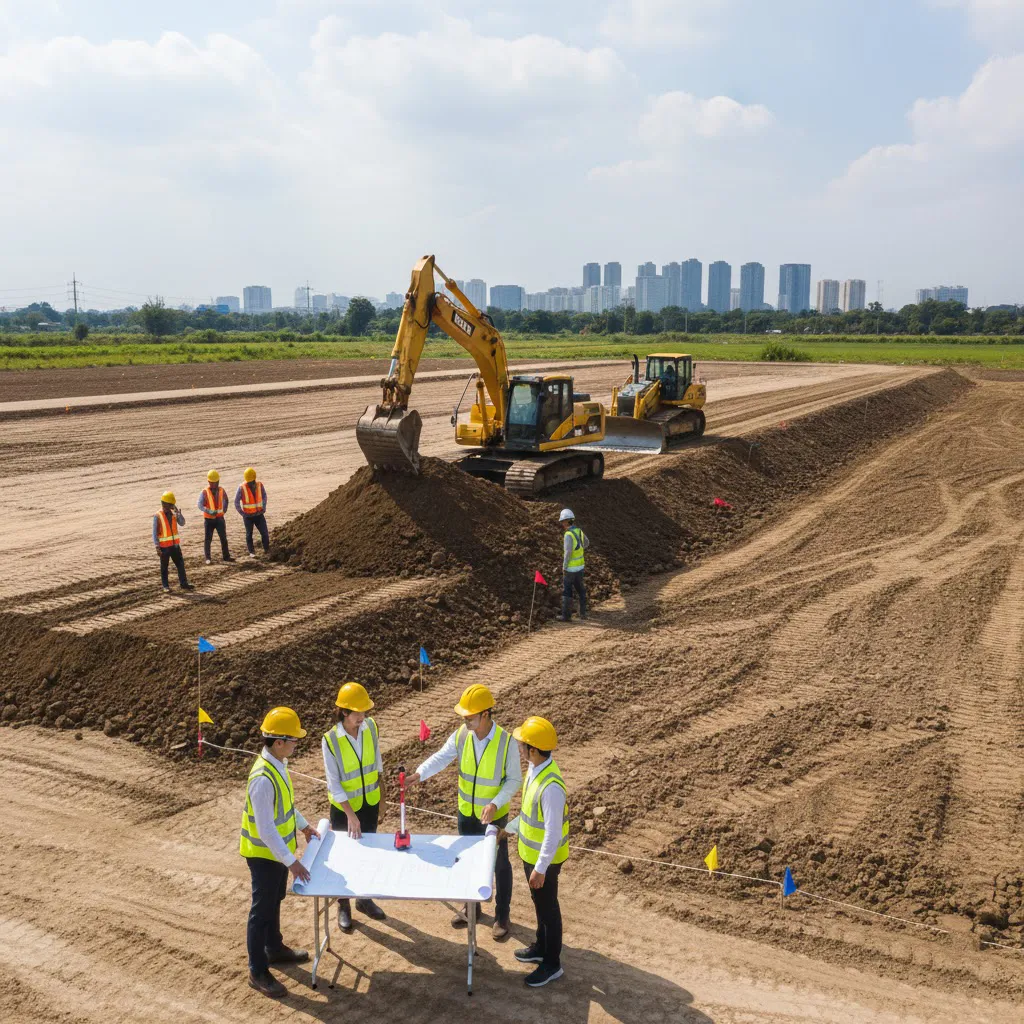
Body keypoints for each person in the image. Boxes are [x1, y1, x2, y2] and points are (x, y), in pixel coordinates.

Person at [406, 683, 520, 940]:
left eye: (469, 716)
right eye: (464, 716)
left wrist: (494, 803)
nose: (465, 720)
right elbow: (442, 756)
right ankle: (472, 908)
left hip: (495, 816)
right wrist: (419, 773)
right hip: (466, 814)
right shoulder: (461, 735)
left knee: (500, 865)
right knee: (466, 863)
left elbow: (514, 780)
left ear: (486, 715)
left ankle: (502, 915)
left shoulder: (506, 742)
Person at [239, 706, 320, 999]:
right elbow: (266, 829)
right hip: (264, 855)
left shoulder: (278, 765)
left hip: (277, 854)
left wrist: (304, 826)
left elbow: (285, 806)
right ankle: (257, 970)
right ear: (278, 742)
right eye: (293, 739)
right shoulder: (262, 778)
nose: (297, 743)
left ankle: (274, 948)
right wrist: (292, 862)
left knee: (275, 901)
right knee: (261, 911)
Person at [321, 682, 387, 932]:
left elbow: (378, 764)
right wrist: (350, 814)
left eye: (364, 712)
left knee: (368, 852)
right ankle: (344, 904)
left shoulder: (371, 727)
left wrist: (382, 799)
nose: (362, 717)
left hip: (369, 803)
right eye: (357, 713)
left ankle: (364, 899)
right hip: (344, 809)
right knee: (344, 857)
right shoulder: (330, 740)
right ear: (344, 712)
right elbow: (334, 783)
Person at [511, 715, 569, 988]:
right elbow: (527, 815)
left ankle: (552, 963)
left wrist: (541, 868)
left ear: (533, 749)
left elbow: (553, 833)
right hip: (530, 855)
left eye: (522, 744)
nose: (519, 748)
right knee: (539, 905)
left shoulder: (551, 788)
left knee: (549, 910)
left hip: (543, 861)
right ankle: (540, 947)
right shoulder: (534, 770)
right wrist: (509, 829)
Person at [152, 491, 193, 594]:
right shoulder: (158, 516)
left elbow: (182, 523)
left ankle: (184, 584)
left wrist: (179, 514)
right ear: (165, 504)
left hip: (175, 546)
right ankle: (165, 586)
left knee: (180, 565)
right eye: (171, 504)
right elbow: (154, 533)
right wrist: (157, 547)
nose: (173, 505)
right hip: (164, 548)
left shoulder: (174, 513)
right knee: (164, 567)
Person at [558, 508, 589, 622]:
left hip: (570, 569)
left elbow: (568, 552)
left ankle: (566, 616)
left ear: (566, 521)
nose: (562, 523)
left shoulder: (568, 535)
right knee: (581, 590)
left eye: (562, 521)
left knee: (567, 591)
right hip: (580, 567)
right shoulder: (579, 531)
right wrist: (579, 550)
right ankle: (583, 614)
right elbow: (586, 543)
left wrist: (564, 567)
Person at [197, 469, 234, 565]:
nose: (215, 484)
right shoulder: (204, 492)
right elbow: (200, 505)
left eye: (216, 482)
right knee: (208, 539)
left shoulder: (221, 490)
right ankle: (208, 558)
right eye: (213, 482)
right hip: (209, 520)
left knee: (223, 538)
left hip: (220, 519)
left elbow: (226, 500)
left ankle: (226, 556)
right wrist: (208, 511)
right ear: (209, 482)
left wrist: (224, 510)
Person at [235, 466, 270, 559]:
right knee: (249, 534)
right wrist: (242, 513)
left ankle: (267, 549)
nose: (251, 483)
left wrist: (264, 507)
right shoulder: (241, 488)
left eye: (252, 481)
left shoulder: (259, 485)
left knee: (265, 533)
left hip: (259, 515)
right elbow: (236, 502)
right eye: (249, 481)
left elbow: (264, 496)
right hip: (248, 517)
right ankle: (251, 552)